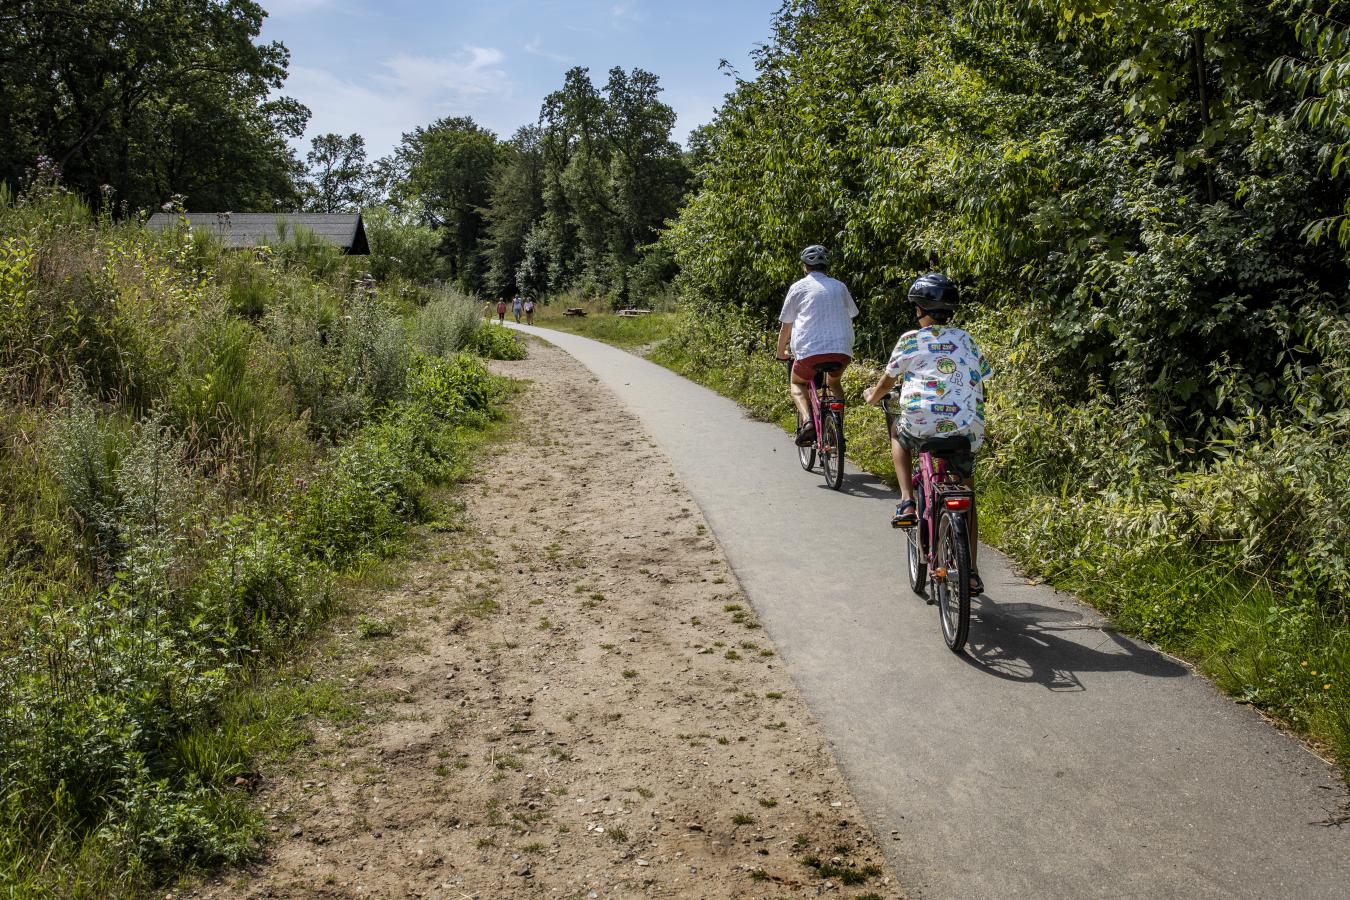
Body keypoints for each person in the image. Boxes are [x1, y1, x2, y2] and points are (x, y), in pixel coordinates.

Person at [862, 272, 991, 593]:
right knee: (967, 493)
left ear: (920, 309)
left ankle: (907, 500)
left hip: (921, 421)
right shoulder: (968, 340)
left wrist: (872, 397)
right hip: (967, 426)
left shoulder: (910, 339)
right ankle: (971, 571)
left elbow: (887, 382)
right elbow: (982, 376)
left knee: (897, 430)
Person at [774, 244, 859, 446]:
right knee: (833, 383)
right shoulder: (840, 286)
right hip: (842, 350)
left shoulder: (798, 287)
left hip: (809, 352)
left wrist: (780, 353)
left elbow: (786, 327)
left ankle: (808, 422)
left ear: (805, 266)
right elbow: (853, 313)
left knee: (798, 383)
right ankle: (837, 424)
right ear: (826, 266)